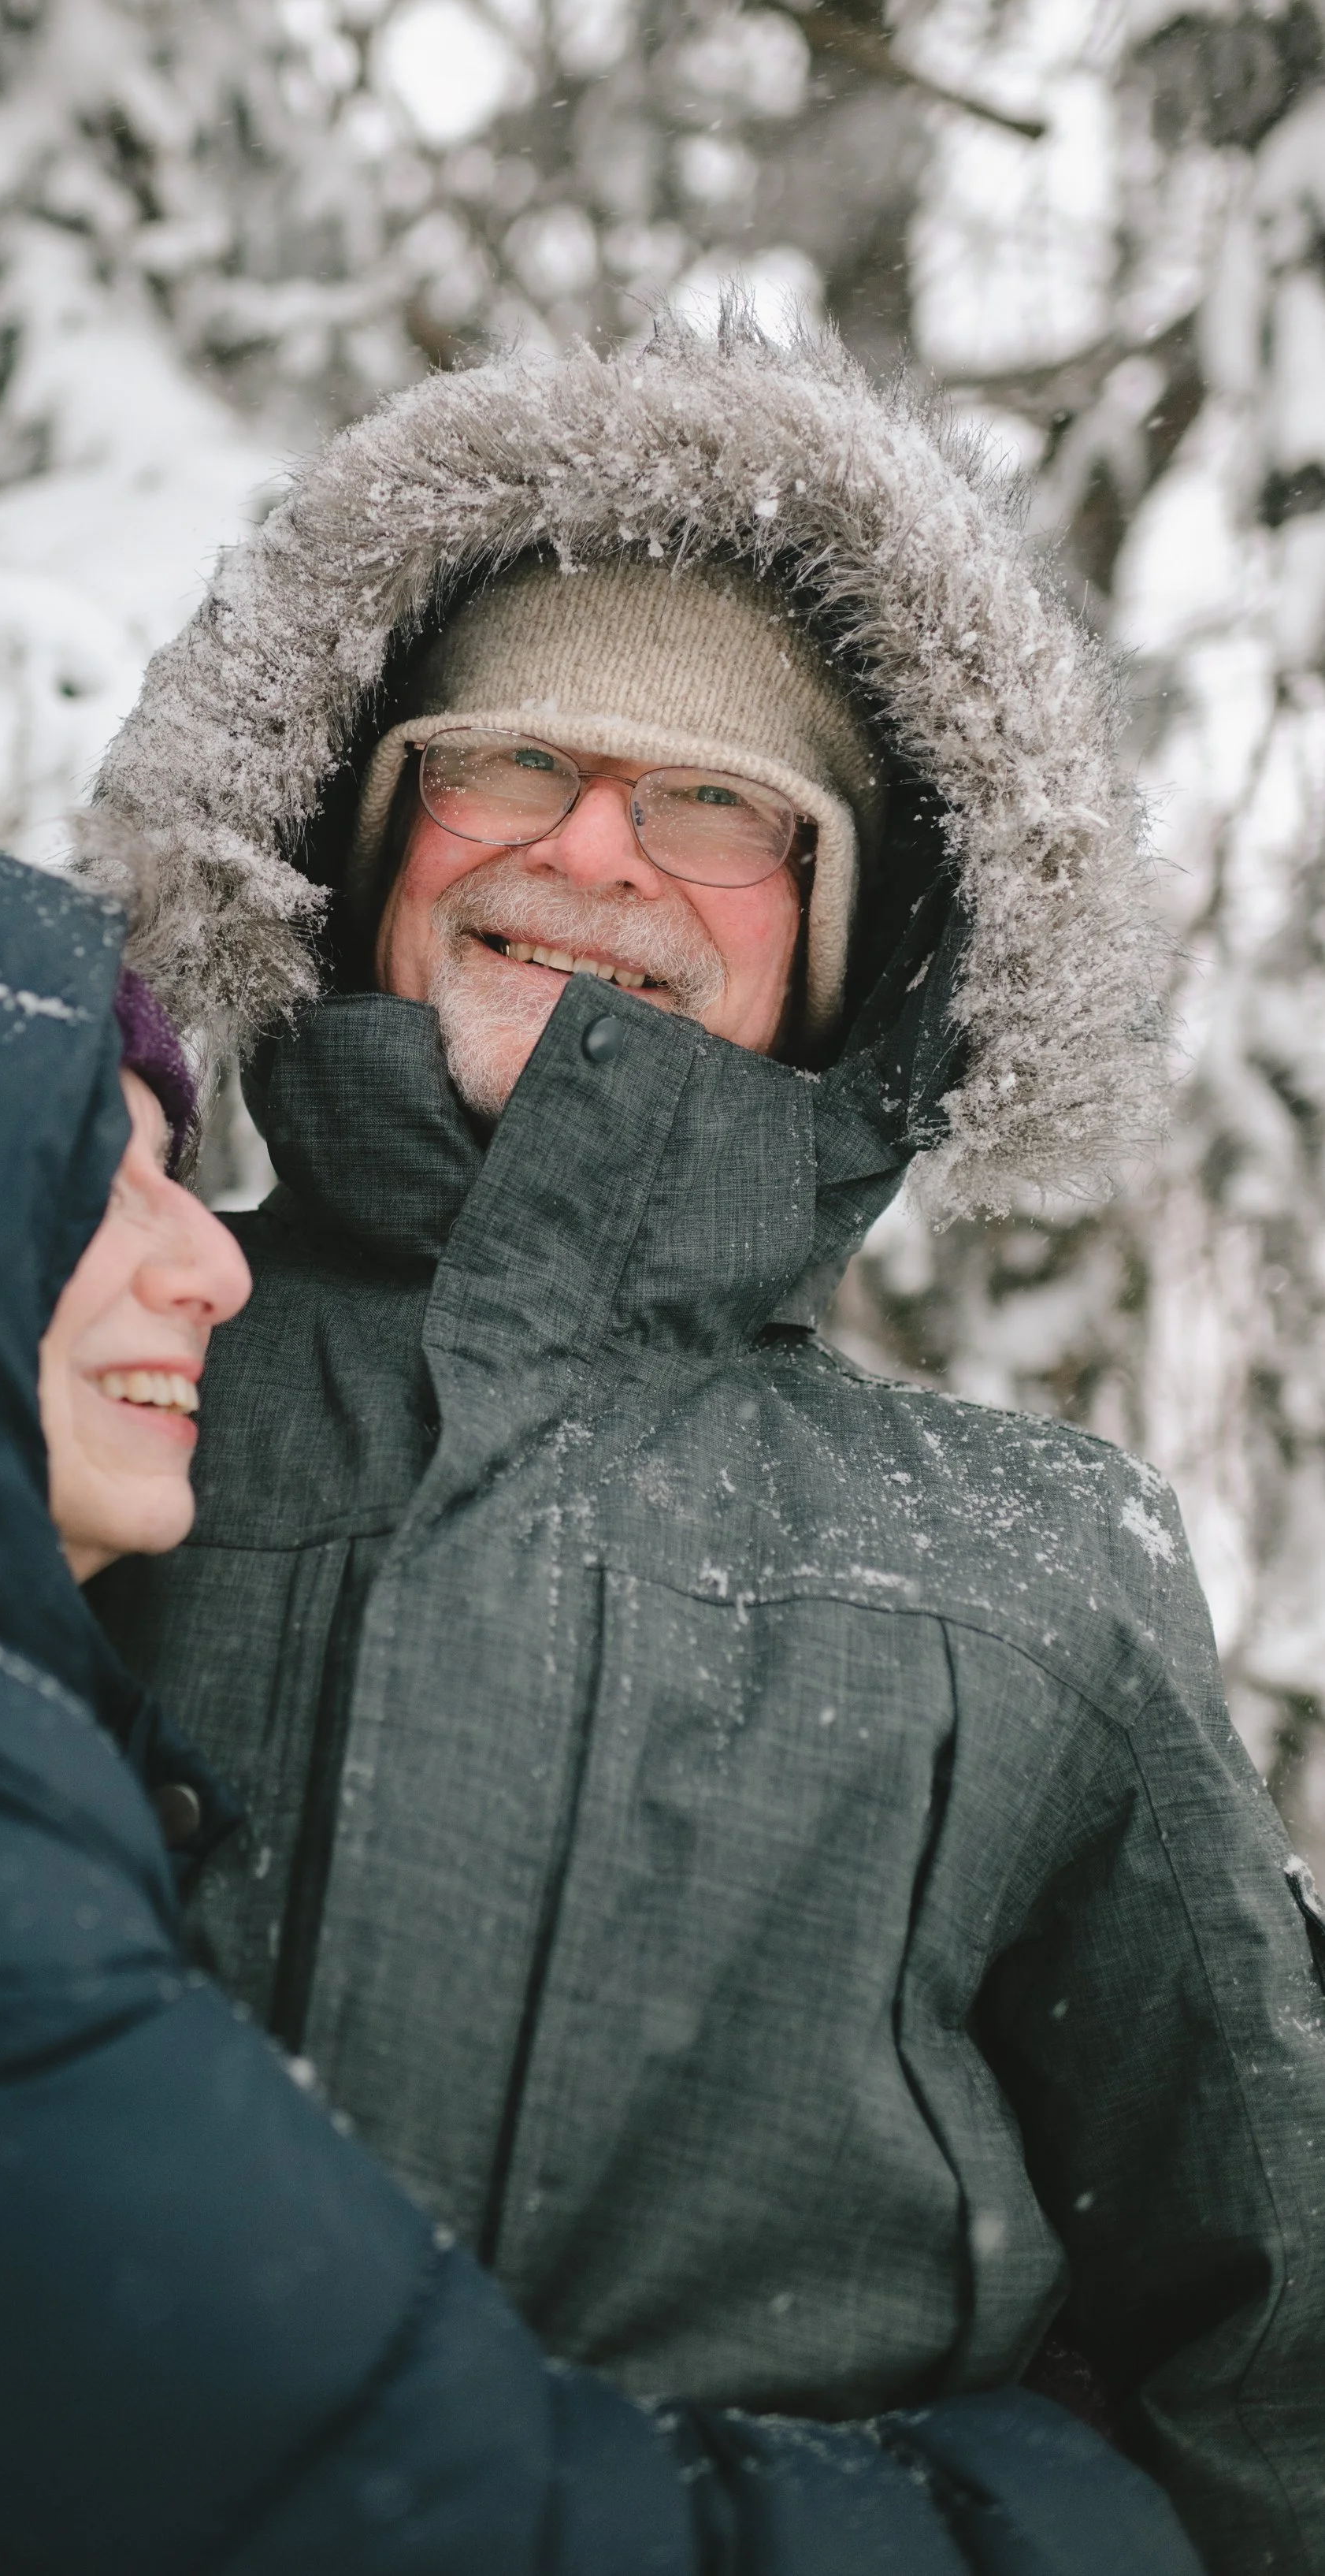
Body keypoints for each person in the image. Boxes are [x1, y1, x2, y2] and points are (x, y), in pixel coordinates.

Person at [0, 812, 1193, 2574]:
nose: (207, 1257)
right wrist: (1073, 2506)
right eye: (100, 1174)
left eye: (722, 806)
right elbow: (407, 2532)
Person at [79, 317, 1325, 2576]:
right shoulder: (118, 1357)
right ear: (362, 841)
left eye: (717, 801)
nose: (590, 849)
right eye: (511, 760)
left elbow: (1264, 2334)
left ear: (841, 943)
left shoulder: (1030, 1561)